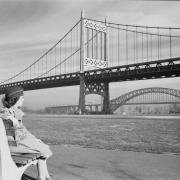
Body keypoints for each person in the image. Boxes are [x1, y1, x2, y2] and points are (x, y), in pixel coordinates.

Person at [0, 86, 53, 180]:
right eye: (22, 97)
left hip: (16, 144)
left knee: (41, 145)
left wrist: (33, 139)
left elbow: (23, 130)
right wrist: (8, 117)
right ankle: (42, 177)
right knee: (43, 148)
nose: (23, 100)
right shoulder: (7, 112)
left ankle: (45, 176)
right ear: (14, 99)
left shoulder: (15, 112)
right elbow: (2, 114)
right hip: (15, 146)